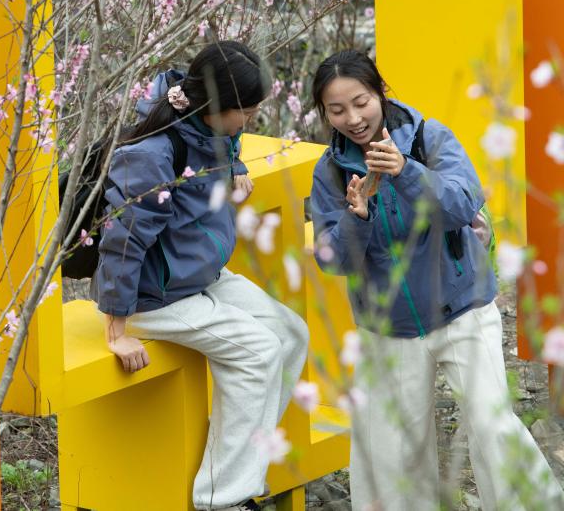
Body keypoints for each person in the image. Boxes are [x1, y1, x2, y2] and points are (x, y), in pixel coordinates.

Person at [309, 50, 564, 511]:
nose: (353, 118)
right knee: (391, 450)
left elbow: (463, 205)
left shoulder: (429, 137)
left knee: (492, 427)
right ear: (324, 113)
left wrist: (406, 173)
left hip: (461, 307)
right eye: (337, 109)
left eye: (361, 101)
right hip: (388, 326)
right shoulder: (329, 172)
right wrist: (357, 216)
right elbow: (334, 261)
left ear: (381, 93)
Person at [94, 40, 309, 511]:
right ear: (216, 107)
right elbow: (123, 242)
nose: (249, 122)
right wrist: (117, 331)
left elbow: (226, 138)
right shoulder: (153, 154)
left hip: (201, 276)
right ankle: (222, 499)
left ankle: (241, 463)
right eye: (246, 113)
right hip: (155, 298)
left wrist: (233, 163)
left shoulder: (203, 120)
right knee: (259, 351)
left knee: (291, 333)